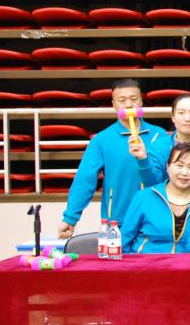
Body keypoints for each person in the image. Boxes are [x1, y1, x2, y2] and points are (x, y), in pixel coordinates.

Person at [59, 78, 165, 238]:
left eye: (133, 99)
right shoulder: (101, 140)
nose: (128, 104)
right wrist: (70, 218)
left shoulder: (160, 135)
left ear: (141, 101)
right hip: (116, 223)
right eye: (122, 100)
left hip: (155, 220)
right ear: (113, 104)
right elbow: (84, 180)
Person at [121, 143, 190, 253]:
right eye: (179, 165)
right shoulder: (144, 197)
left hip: (186, 263)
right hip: (145, 262)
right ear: (168, 167)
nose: (184, 172)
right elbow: (124, 238)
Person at [133, 93, 190, 189]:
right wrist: (143, 159)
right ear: (173, 117)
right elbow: (153, 183)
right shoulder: (158, 147)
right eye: (181, 113)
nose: (187, 118)